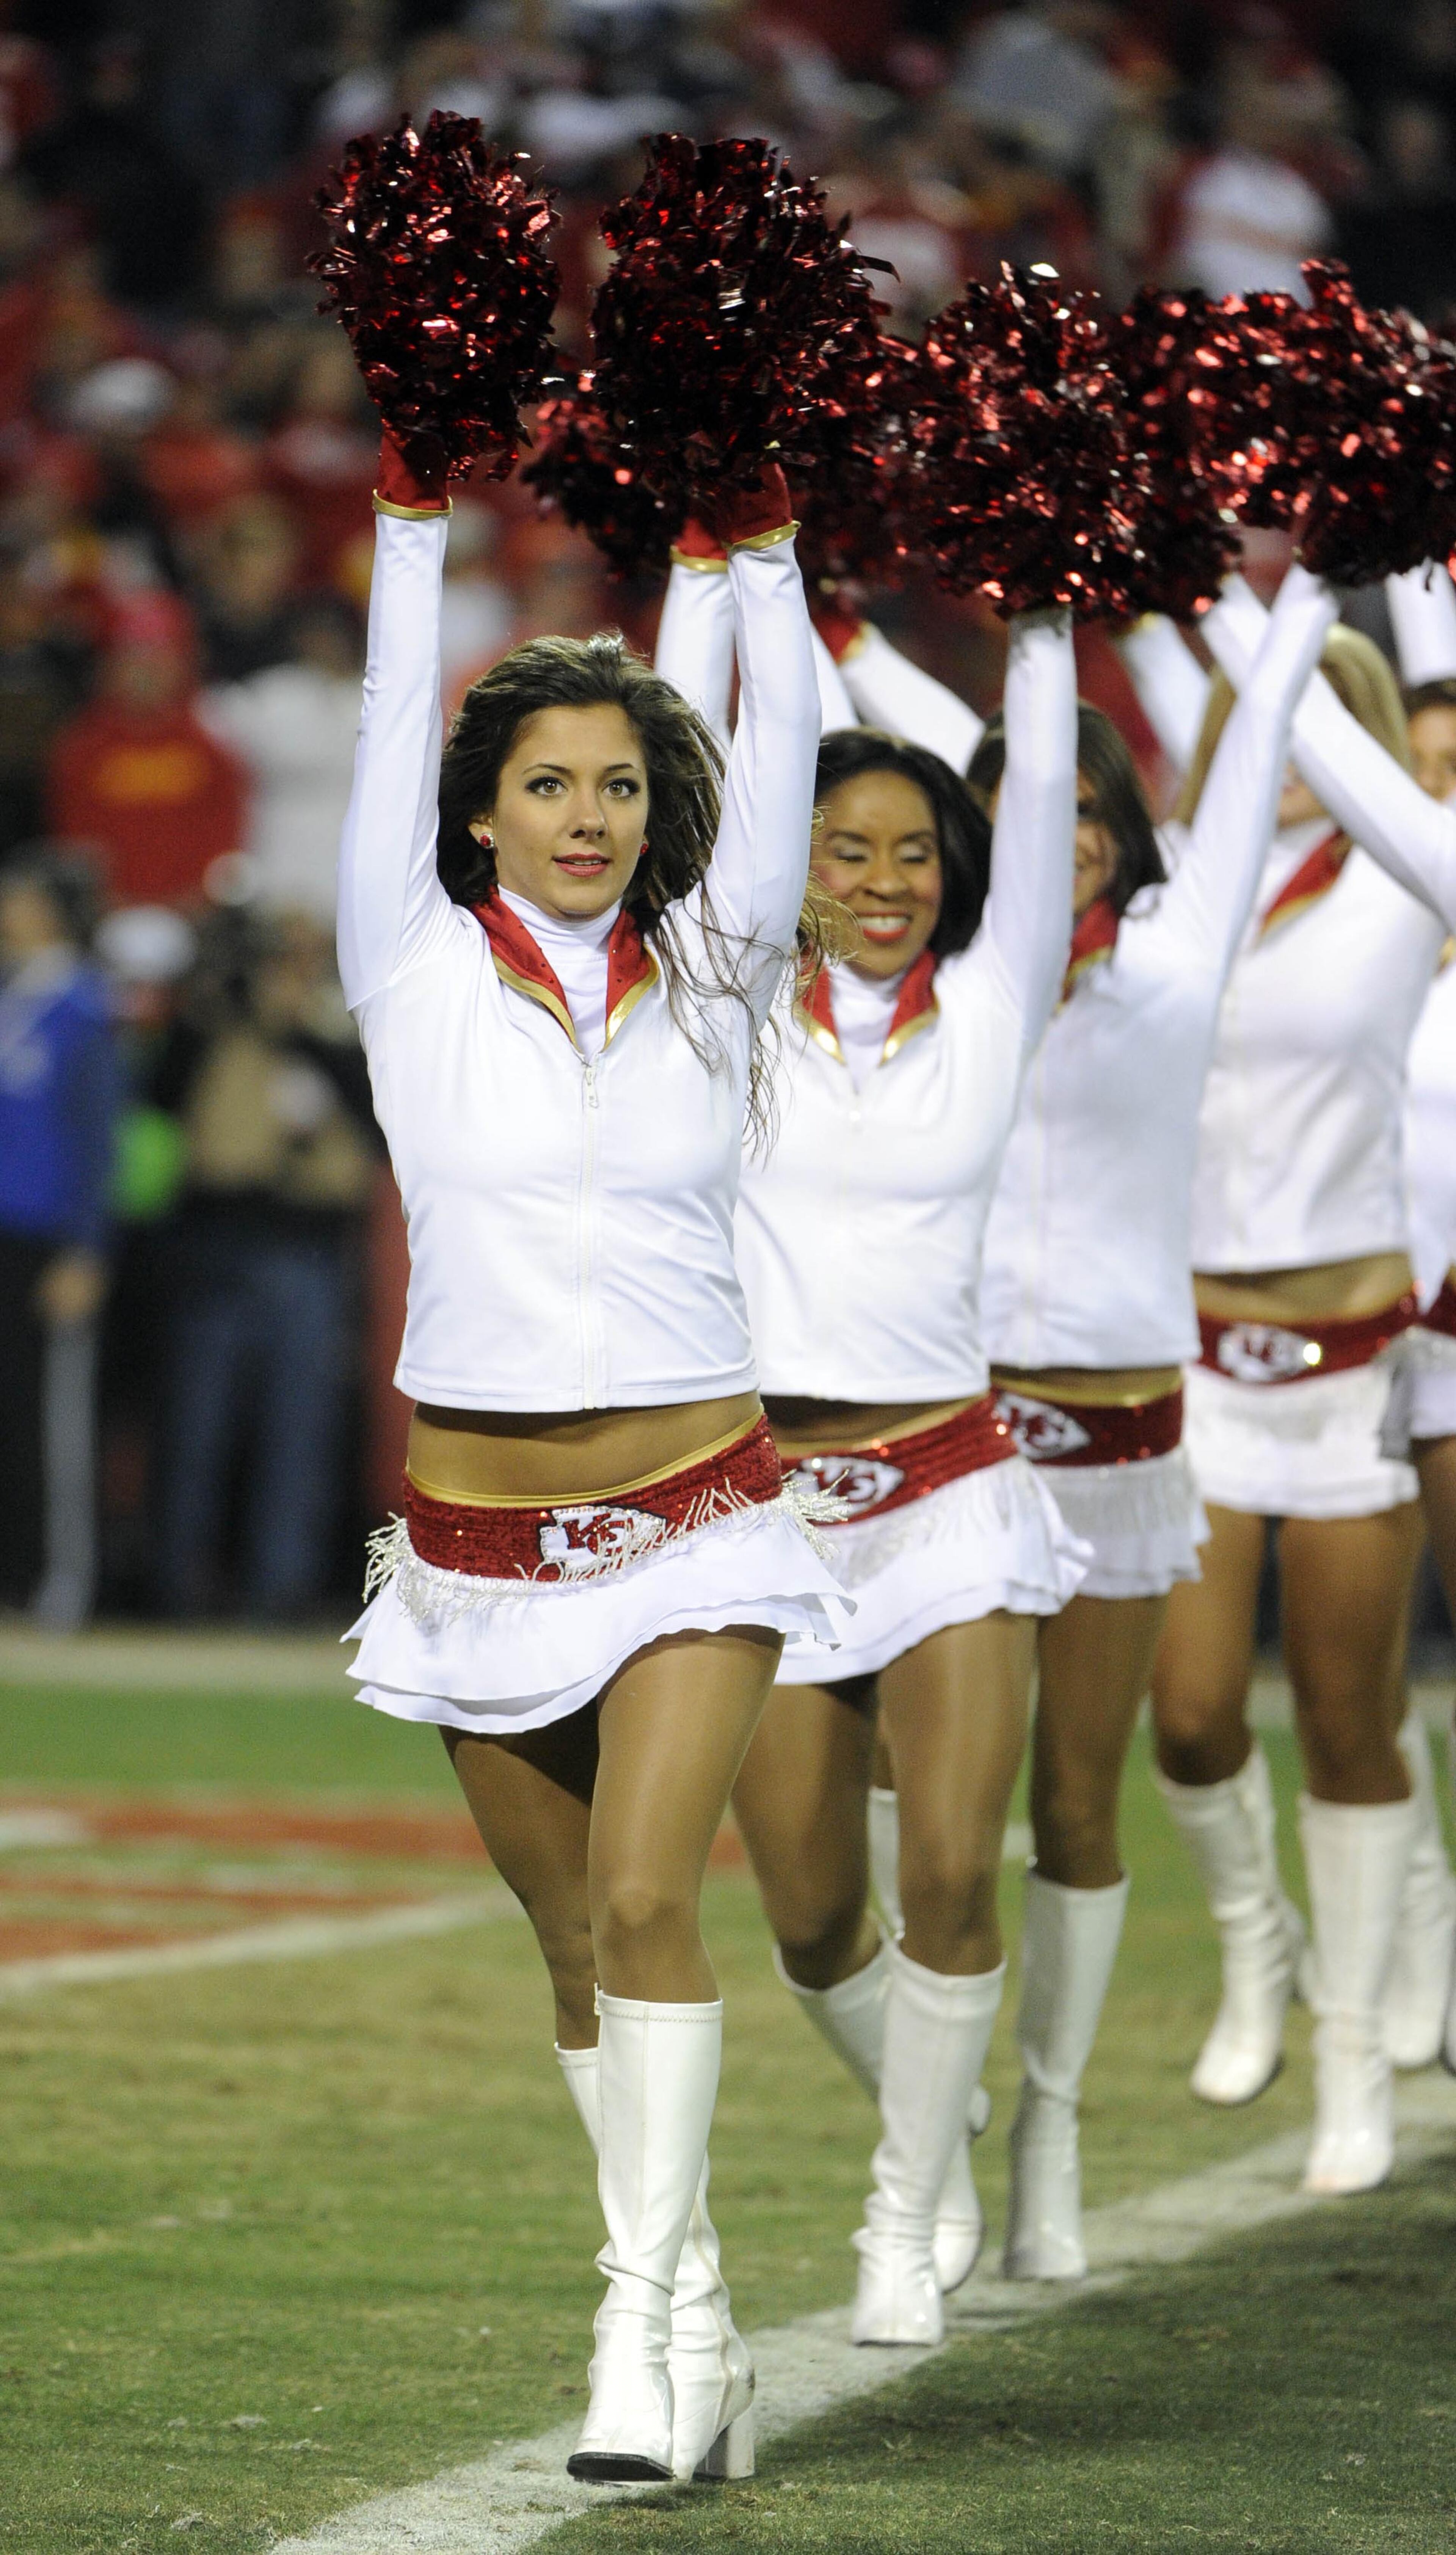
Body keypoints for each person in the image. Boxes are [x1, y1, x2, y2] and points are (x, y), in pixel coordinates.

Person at [338, 428, 848, 2487]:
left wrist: (747, 555)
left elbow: (783, 736)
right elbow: (393, 709)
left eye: (622, 784)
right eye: (549, 782)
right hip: (473, 1537)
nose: (588, 813)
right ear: (478, 817)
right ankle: (703, 2302)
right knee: (571, 1946)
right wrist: (406, 513)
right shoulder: (404, 963)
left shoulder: (723, 967)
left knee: (651, 1895)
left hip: (700, 1514)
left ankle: (633, 2331)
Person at [806, 568, 1336, 2278]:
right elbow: (955, 777)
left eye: (1104, 817)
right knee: (917, 1804)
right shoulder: (965, 973)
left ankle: (1049, 2126)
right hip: (953, 1436)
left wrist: (1298, 573)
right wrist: (831, 627)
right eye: (1058, 817)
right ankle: (932, 2111)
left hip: (1115, 1438)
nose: (1079, 840)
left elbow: (1251, 757)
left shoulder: (1185, 954)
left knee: (1079, 1806)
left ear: (1136, 832)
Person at [655, 524, 1086, 2344]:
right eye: (845, 849)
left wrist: (1053, 605)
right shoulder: (723, 999)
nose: (884, 877)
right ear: (793, 869)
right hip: (771, 1514)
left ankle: (900, 2222)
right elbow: (690, 761)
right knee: (817, 1917)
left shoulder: (995, 1003)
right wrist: (714, 574)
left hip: (950, 1495)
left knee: (948, 1870)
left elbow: (1047, 770)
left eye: (914, 851)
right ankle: (941, 2117)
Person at [1143, 584, 1446, 2195]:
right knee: (1187, 1714)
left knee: (1349, 1716)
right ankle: (1258, 1946)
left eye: (1318, 709)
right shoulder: (1180, 884)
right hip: (1194, 1360)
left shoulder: (1413, 886)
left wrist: (1282, 640)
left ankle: (1354, 2060)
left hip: (1347, 1367)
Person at [149, 904, 378, 1621]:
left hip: (302, 1252)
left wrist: (299, 1029)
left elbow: (372, 1131)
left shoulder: (339, 1036)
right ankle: (174, 1588)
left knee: (297, 1431)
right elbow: (162, 1097)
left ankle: (281, 1590)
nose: (284, 974)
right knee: (195, 1427)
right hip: (214, 1246)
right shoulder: (210, 1028)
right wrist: (217, 1004)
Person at [0, 846, 118, 1624]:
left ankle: (59, 1579)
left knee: (52, 1418)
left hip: (48, 1237)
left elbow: (97, 1134)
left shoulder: (84, 1006)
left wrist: (88, 1247)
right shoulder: (12, 999)